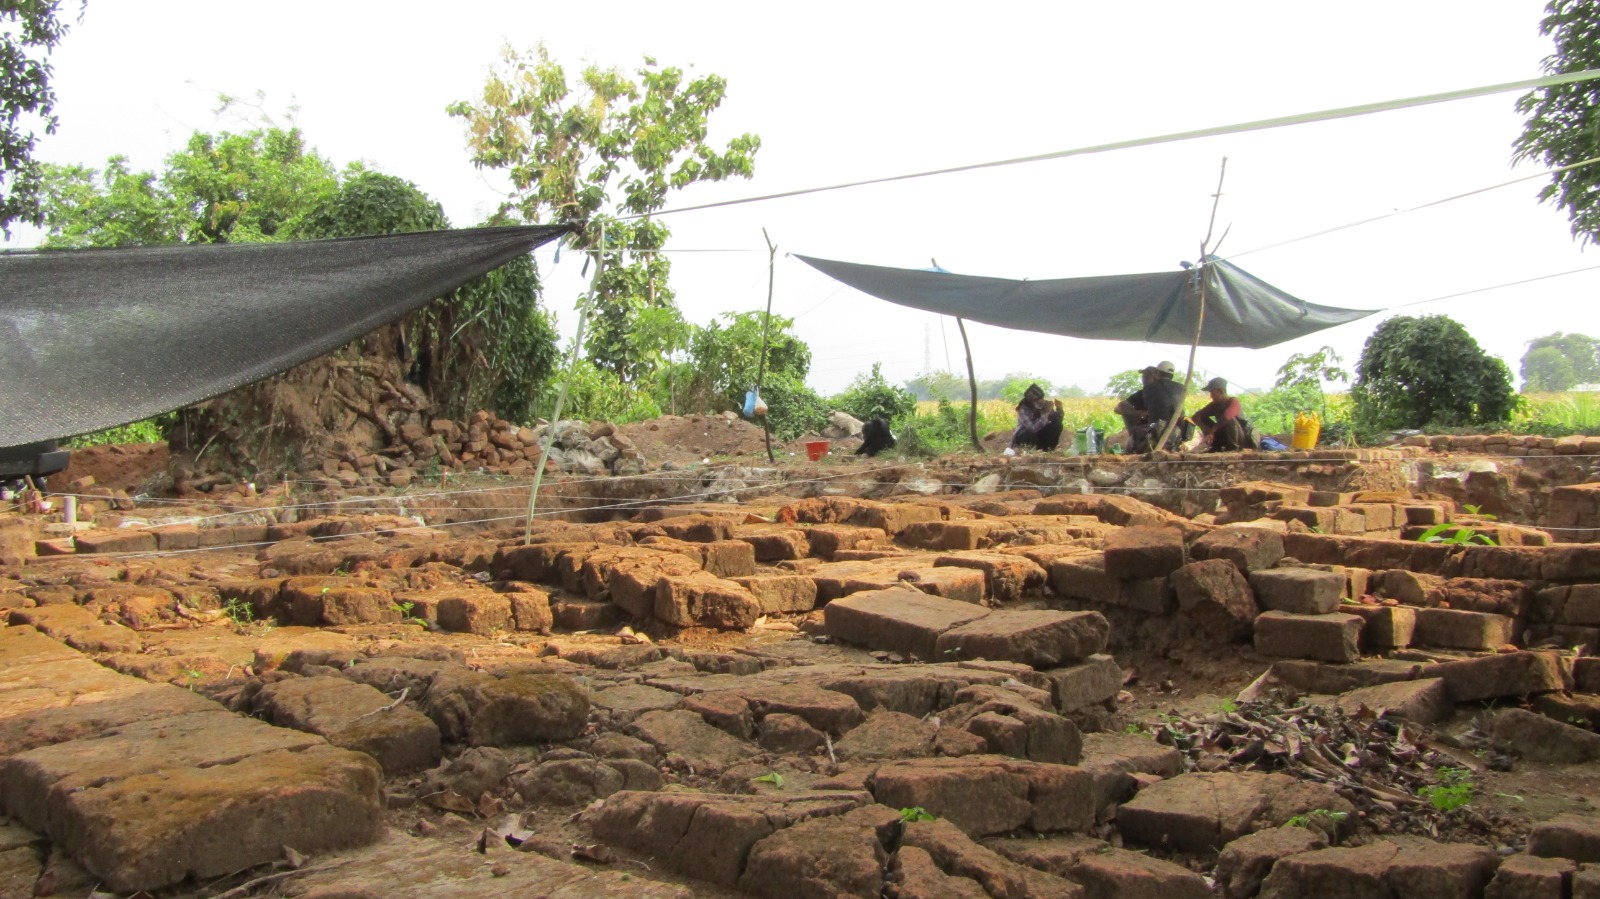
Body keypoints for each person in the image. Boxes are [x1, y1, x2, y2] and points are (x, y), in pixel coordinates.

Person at [1114, 361, 1188, 452]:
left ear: (1156, 375)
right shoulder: (1180, 388)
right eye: (1144, 376)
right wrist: (1139, 413)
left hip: (1157, 430)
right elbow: (1118, 408)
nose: (1143, 378)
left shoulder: (1149, 389)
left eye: (1147, 375)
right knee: (1127, 410)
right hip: (1176, 430)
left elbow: (1118, 409)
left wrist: (1139, 413)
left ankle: (1136, 444)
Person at [1190, 377, 1253, 452]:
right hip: (1224, 436)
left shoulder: (1233, 401)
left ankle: (1234, 448)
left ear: (1220, 392)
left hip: (1240, 438)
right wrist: (1208, 433)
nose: (1211, 396)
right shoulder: (1215, 405)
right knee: (1201, 417)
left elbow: (1227, 416)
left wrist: (1212, 431)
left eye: (1212, 393)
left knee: (1230, 419)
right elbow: (1196, 416)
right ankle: (1215, 444)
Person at [1004, 383, 1064, 455]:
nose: (1042, 401)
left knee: (1057, 425)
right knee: (1028, 433)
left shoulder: (1045, 405)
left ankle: (1047, 450)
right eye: (1038, 399)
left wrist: (1059, 409)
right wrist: (1046, 414)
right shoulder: (1023, 409)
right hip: (1026, 436)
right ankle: (1029, 451)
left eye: (1042, 398)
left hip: (1040, 437)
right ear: (1032, 401)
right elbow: (1033, 428)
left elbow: (1057, 420)